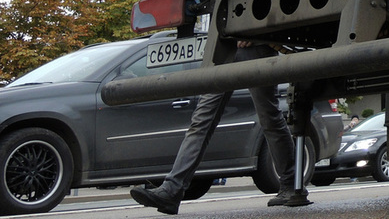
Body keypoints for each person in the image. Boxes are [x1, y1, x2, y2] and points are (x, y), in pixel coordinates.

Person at [130, 42, 305, 215]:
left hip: (255, 47)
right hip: (225, 48)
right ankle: (171, 190)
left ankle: (290, 184)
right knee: (201, 121)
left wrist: (260, 36)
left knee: (269, 117)